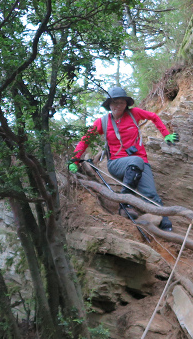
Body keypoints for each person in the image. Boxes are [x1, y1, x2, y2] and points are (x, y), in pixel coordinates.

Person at [69, 87, 179, 231]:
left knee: (151, 193)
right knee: (136, 160)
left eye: (121, 102)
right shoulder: (102, 122)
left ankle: (165, 225)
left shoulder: (135, 114)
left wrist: (166, 134)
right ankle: (125, 203)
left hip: (141, 162)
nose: (117, 105)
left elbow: (153, 116)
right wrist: (74, 160)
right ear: (109, 105)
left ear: (126, 104)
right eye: (114, 103)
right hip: (116, 164)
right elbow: (85, 140)